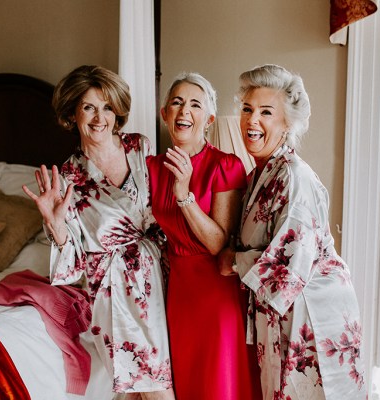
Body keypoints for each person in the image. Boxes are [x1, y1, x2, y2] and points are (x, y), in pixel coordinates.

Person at [23, 65, 174, 400]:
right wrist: (55, 223)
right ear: (72, 112)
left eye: (106, 106)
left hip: (163, 280)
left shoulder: (141, 148)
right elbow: (73, 265)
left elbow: (169, 211)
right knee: (150, 389)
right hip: (112, 292)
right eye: (88, 107)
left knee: (141, 391)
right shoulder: (67, 177)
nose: (99, 117)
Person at [218, 64, 367, 399]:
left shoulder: (294, 177)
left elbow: (290, 265)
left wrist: (234, 260)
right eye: (247, 109)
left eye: (266, 112)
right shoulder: (261, 173)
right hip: (286, 309)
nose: (252, 121)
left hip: (313, 308)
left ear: (287, 123)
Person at [146, 72, 262, 400]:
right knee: (185, 380)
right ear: (164, 113)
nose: (185, 111)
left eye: (195, 105)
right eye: (177, 103)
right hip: (176, 291)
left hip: (216, 292)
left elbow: (217, 243)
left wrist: (184, 195)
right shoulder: (151, 167)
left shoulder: (225, 166)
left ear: (208, 119)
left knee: (216, 384)